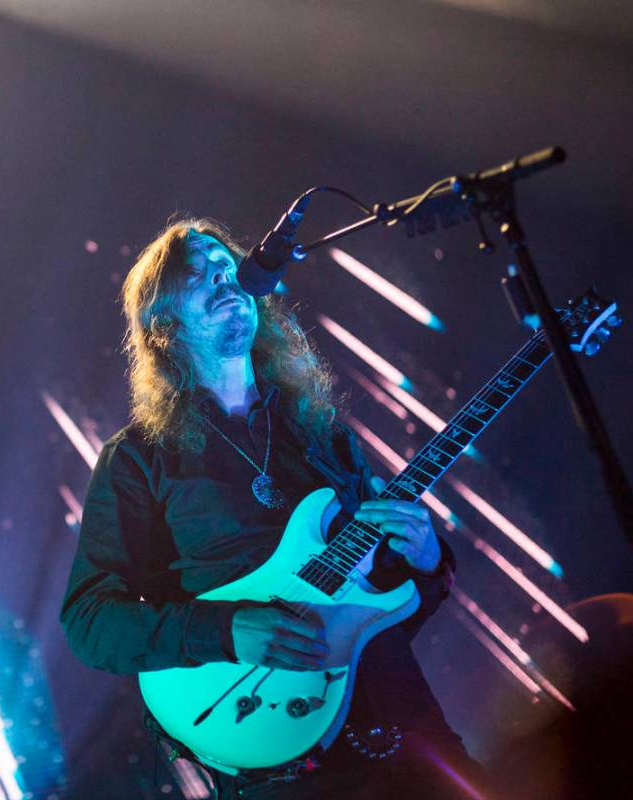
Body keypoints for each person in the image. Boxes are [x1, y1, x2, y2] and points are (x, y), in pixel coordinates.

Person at [60, 219, 492, 799]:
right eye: (198, 274)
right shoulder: (139, 458)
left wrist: (425, 560)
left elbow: (385, 611)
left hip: (407, 728)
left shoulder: (320, 433)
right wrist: (227, 631)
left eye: (228, 266)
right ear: (164, 325)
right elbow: (90, 622)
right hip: (278, 761)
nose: (226, 278)